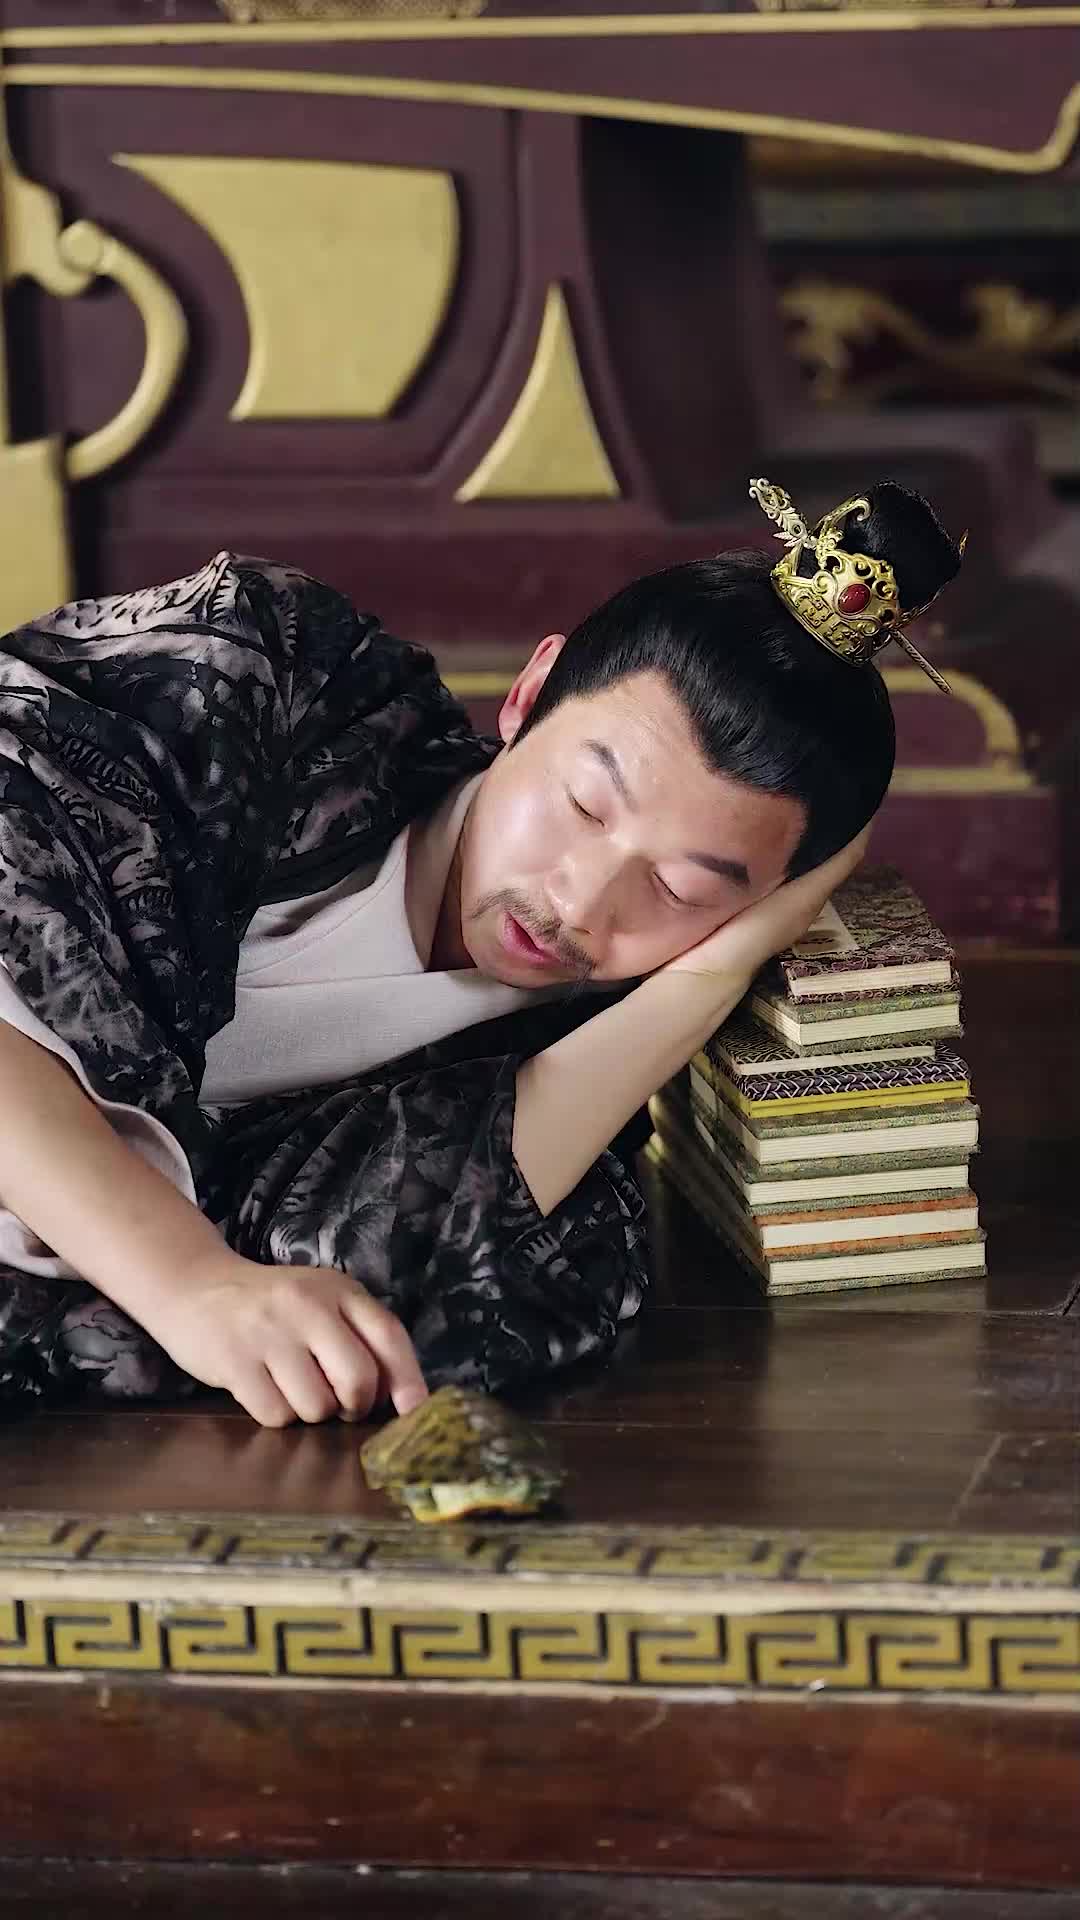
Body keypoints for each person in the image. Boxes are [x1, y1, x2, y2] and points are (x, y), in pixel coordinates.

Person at [0, 479, 962, 1423]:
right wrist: (185, 1279)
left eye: (682, 890)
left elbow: (370, 1306)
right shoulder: (275, 676)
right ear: (530, 694)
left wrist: (708, 980)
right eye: (584, 805)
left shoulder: (553, 1096)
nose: (579, 901)